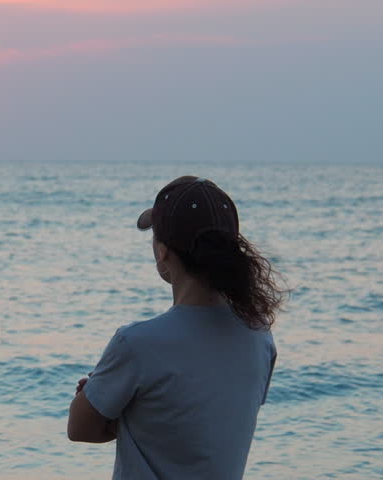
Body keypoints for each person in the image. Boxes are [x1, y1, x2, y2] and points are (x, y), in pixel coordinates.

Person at [67, 176, 285, 479]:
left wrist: (108, 400)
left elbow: (79, 429)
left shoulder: (137, 344)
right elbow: (206, 421)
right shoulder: (259, 336)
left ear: (163, 251)